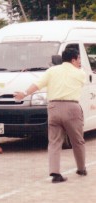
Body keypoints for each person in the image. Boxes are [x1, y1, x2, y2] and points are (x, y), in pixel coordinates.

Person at [14, 48, 87, 183]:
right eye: (78, 59)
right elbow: (81, 82)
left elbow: (37, 85)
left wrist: (24, 94)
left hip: (53, 107)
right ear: (73, 59)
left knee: (54, 141)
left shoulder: (51, 71)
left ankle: (55, 172)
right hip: (72, 107)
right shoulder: (80, 73)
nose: (80, 62)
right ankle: (81, 168)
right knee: (77, 140)